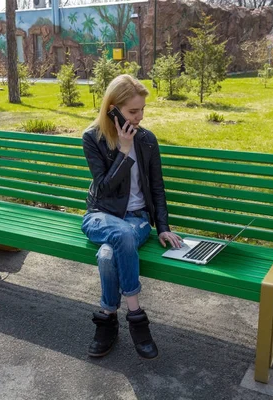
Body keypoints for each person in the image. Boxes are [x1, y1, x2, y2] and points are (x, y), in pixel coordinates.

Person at [81, 74, 182, 359]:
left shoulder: (148, 140)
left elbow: (156, 186)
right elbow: (103, 189)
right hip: (99, 216)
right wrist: (124, 152)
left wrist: (162, 226)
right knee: (120, 235)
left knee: (106, 256)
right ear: (112, 108)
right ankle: (137, 317)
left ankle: (107, 318)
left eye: (142, 110)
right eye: (132, 111)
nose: (139, 118)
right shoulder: (93, 138)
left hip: (136, 219)